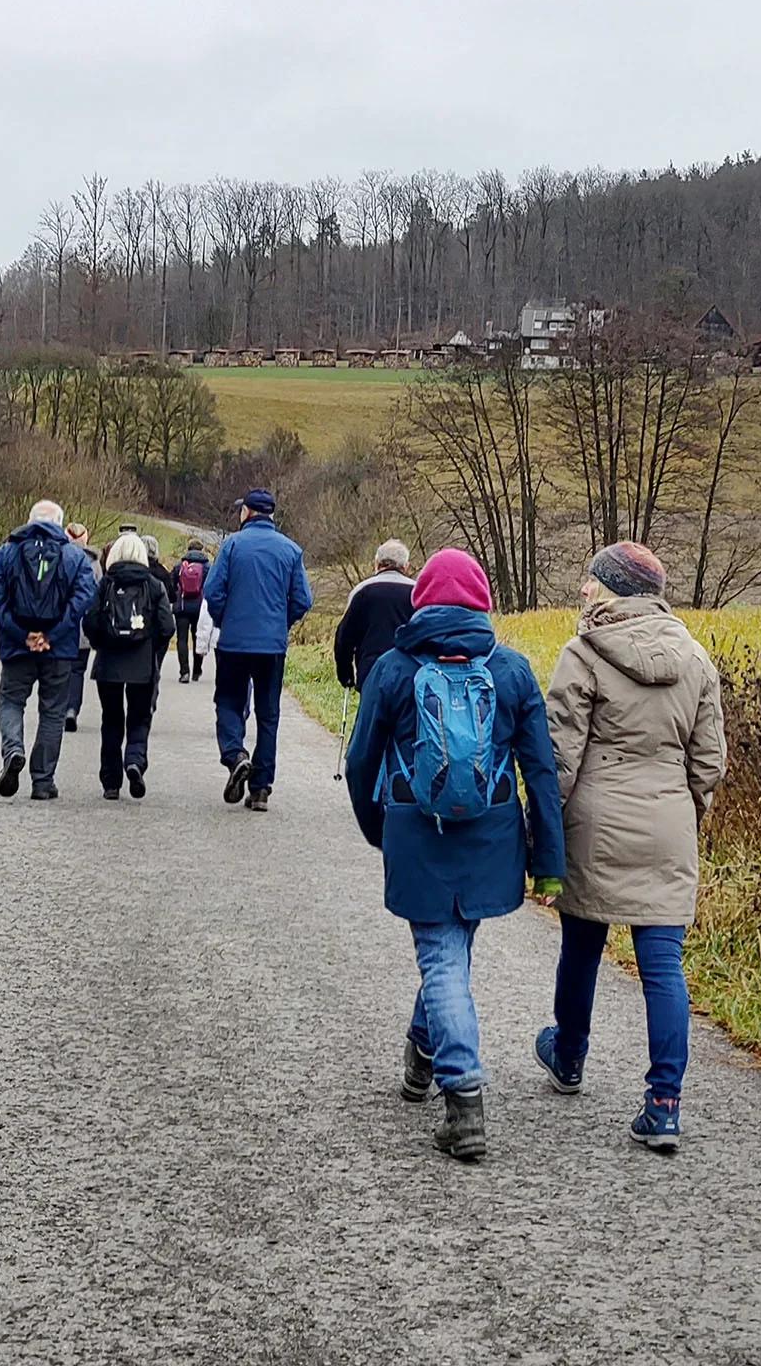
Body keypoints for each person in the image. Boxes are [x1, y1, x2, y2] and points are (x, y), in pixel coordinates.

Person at [345, 547, 565, 1162]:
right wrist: (547, 860)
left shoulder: (392, 669)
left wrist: (377, 829)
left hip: (417, 831)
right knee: (451, 949)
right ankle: (421, 1053)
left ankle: (463, 1099)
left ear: (422, 602)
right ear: (482, 603)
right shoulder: (514, 671)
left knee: (442, 958)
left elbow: (361, 761)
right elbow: (541, 772)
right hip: (493, 836)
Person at [534, 542, 726, 1154]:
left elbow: (560, 756)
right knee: (663, 965)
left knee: (583, 944)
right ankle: (664, 1104)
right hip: (669, 821)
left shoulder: (582, 652)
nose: (584, 589)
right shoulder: (695, 658)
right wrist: (685, 811)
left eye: (592, 580)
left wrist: (545, 827)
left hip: (596, 822)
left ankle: (568, 1057)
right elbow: (709, 762)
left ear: (614, 588)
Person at [0, 499, 100, 801]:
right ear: (60, 524)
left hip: (16, 646)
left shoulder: (7, 553)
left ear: (30, 520)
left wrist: (22, 634)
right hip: (58, 650)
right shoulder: (74, 556)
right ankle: (42, 781)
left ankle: (13, 749)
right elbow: (85, 596)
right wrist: (54, 634)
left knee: (10, 701)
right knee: (52, 712)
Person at [204, 489, 313, 812]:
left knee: (228, 701)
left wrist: (225, 618)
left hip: (235, 642)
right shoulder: (291, 551)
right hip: (272, 645)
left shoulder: (233, 545)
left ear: (247, 513)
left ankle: (236, 754)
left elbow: (213, 591)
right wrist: (282, 623)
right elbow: (303, 600)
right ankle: (261, 787)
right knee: (268, 714)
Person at [82, 533, 174, 800]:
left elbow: (90, 621)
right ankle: (134, 760)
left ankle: (111, 782)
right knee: (139, 716)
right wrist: (152, 648)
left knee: (111, 719)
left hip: (109, 663)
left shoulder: (106, 584)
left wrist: (101, 644)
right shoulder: (154, 585)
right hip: (142, 664)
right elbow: (167, 626)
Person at [333, 539, 416, 694]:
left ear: (377, 564)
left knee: (371, 717)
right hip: (409, 674)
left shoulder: (362, 591)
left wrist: (346, 674)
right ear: (406, 567)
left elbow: (344, 638)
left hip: (370, 672)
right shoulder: (417, 593)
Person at [63, 522, 101, 731]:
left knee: (60, 670)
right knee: (77, 670)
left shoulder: (58, 557)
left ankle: (58, 709)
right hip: (83, 626)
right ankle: (72, 708)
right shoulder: (93, 563)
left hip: (60, 626)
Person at [171, 536, 212, 683]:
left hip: (182, 607)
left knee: (182, 639)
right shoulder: (208, 567)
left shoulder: (180, 566)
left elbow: (171, 585)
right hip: (200, 608)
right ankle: (197, 671)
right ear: (202, 550)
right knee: (197, 638)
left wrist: (174, 599)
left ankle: (184, 672)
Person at [143, 534, 175, 710]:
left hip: (139, 625)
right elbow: (171, 596)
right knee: (156, 666)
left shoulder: (138, 571)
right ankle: (151, 698)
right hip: (159, 625)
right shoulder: (163, 573)